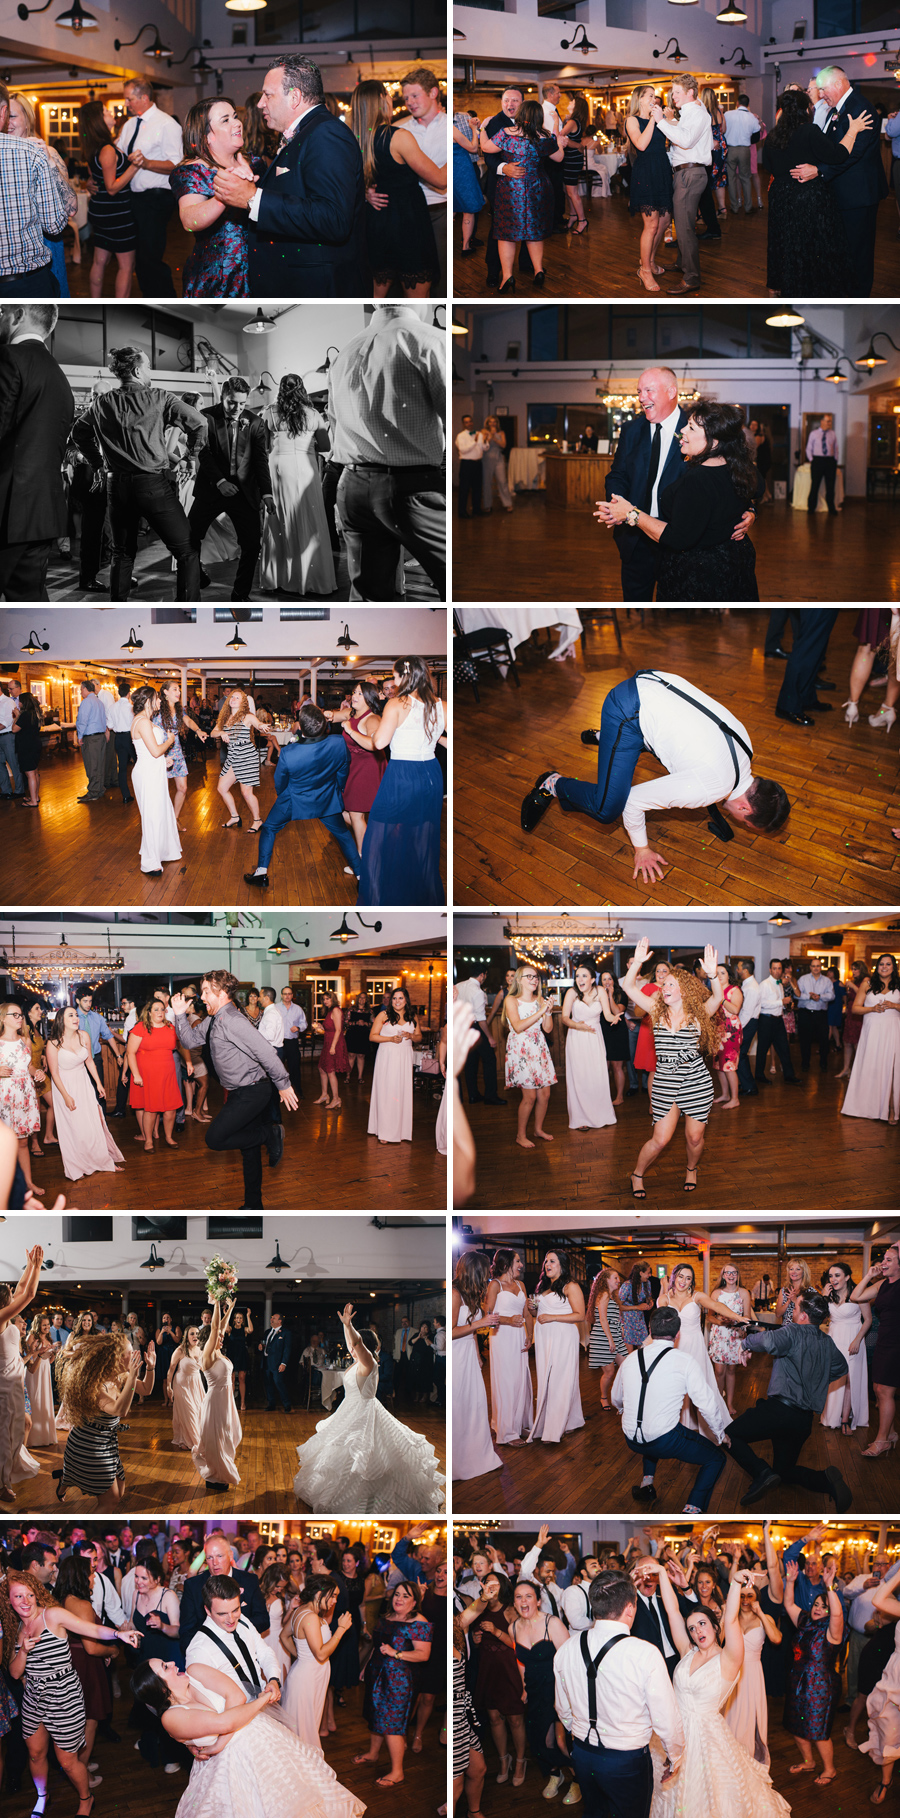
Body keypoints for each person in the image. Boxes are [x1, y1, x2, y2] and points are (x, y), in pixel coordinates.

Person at [522, 665, 787, 886]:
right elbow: (633, 802)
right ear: (744, 806)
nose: (739, 822)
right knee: (606, 808)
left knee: (675, 755)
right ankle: (552, 783)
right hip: (628, 707)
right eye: (744, 822)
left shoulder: (746, 749)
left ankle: (606, 738)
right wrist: (642, 849)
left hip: (657, 680)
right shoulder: (707, 789)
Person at [133, 1643, 364, 1817]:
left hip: (263, 1743)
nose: (173, 1664)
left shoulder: (193, 1673)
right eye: (165, 1667)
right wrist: (261, 1701)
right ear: (161, 1689)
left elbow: (238, 1696)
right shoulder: (171, 1717)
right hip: (228, 1768)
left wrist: (218, 1744)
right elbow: (225, 1722)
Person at [210, 56, 364, 297]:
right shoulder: (308, 131)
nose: (260, 103)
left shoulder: (326, 133)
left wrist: (253, 199)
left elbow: (333, 219)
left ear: (294, 97)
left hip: (317, 288)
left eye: (268, 95)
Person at [650, 1561, 790, 1816]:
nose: (696, 1631)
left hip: (705, 1740)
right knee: (669, 1794)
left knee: (706, 1796)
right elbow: (672, 1612)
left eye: (702, 1624)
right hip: (674, 1731)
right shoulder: (686, 1652)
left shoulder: (728, 1660)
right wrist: (661, 1574)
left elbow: (733, 1617)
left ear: (715, 1626)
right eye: (692, 1628)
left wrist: (735, 1584)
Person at [329, 302, 445, 602]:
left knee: (369, 598)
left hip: (351, 486)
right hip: (408, 487)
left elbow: (333, 420)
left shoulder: (344, 353)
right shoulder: (429, 340)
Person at [5, 1568, 140, 1818]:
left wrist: (118, 1634)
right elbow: (14, 1673)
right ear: (9, 1601)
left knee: (67, 1761)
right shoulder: (18, 1630)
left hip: (63, 1694)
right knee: (35, 1754)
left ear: (37, 1595)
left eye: (29, 1595)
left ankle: (86, 1799)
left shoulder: (53, 1615)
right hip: (34, 1696)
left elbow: (89, 1629)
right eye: (18, 1597)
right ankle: (42, 1798)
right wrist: (22, 1651)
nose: (25, 1601)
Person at [74, 344, 205, 600]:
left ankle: (118, 609)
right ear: (136, 370)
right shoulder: (160, 397)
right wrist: (192, 456)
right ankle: (187, 609)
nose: (149, 371)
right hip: (152, 486)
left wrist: (98, 464)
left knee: (122, 554)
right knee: (187, 550)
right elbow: (199, 422)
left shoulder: (102, 403)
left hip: (117, 488)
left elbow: (78, 432)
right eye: (147, 366)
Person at [553, 1567, 685, 1818]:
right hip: (625, 1762)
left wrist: (580, 1734)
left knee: (594, 1813)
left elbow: (562, 1709)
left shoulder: (566, 1650)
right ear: (630, 1608)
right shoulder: (645, 1653)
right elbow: (665, 1717)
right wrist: (674, 1755)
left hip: (583, 1756)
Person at [599, 399, 759, 602]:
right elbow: (756, 485)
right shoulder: (735, 465)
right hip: (731, 561)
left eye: (691, 427)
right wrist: (749, 509)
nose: (683, 430)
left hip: (697, 570)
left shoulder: (696, 479)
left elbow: (677, 537)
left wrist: (630, 513)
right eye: (639, 390)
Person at [293, 1302, 443, 1512]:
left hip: (363, 1413)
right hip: (349, 1410)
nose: (352, 1349)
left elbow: (357, 1343)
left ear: (365, 1346)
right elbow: (352, 1343)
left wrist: (350, 1326)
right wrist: (346, 1327)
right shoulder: (358, 1360)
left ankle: (364, 1498)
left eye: (356, 1346)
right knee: (341, 1453)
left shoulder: (369, 1362)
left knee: (364, 1457)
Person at [171, 973, 297, 1210]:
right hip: (241, 1090)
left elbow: (265, 1052)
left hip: (252, 1091)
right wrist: (179, 1014)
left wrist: (283, 1083)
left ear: (221, 992)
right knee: (249, 1152)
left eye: (206, 991)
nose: (202, 996)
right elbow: (188, 1041)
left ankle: (270, 1135)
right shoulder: (214, 1019)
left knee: (215, 1138)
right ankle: (254, 1204)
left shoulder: (233, 1020)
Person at [725, 1288, 851, 1508]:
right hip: (803, 1421)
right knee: (784, 1472)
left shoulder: (792, 1331)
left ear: (803, 1315)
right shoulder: (826, 1342)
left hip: (778, 1412)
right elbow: (841, 1368)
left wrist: (745, 1344)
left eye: (796, 1305)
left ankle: (760, 1472)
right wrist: (816, 1378)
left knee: (729, 1435)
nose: (792, 1309)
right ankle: (825, 1480)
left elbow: (766, 1340)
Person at [617, 940, 723, 1195]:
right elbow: (628, 986)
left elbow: (718, 996)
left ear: (683, 990)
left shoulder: (699, 1014)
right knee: (661, 1139)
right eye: (664, 984)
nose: (664, 987)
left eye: (670, 984)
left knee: (694, 1138)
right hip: (665, 1079)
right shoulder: (656, 1010)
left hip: (696, 1079)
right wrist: (638, 962)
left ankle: (691, 1169)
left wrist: (713, 975)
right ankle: (637, 1174)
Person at [787, 64, 888, 297]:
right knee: (844, 248)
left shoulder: (861, 109)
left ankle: (859, 298)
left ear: (838, 84)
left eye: (823, 89)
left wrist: (819, 171)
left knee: (859, 251)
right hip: (843, 192)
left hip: (859, 195)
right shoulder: (838, 109)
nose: (820, 95)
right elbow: (832, 147)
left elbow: (852, 155)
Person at [352, 656, 446, 906]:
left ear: (406, 676)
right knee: (421, 836)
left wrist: (362, 732)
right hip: (432, 775)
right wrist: (432, 738)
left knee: (377, 836)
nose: (393, 683)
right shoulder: (442, 705)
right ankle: (420, 897)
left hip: (403, 774)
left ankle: (381, 898)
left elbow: (380, 743)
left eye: (394, 677)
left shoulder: (396, 704)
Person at [0, 301, 75, 600]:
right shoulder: (57, 373)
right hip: (43, 511)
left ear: (18, 316)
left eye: (1, 313)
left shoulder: (9, 357)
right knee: (29, 603)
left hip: (6, 509)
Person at [244, 701, 361, 888]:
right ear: (323, 723)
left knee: (269, 828)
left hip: (294, 799)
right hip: (326, 798)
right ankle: (361, 876)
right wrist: (336, 790)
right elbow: (343, 769)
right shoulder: (338, 742)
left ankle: (261, 873)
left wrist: (284, 797)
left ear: (301, 727)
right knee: (343, 834)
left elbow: (280, 781)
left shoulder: (289, 753)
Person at [351, 81, 443, 295]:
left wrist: (365, 193)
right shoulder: (399, 137)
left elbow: (344, 183)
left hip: (375, 223)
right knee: (418, 302)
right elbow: (439, 179)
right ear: (382, 100)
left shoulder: (354, 140)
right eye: (389, 95)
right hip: (407, 222)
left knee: (376, 296)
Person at [188, 378, 274, 604]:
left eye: (242, 404)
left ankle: (240, 594)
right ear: (222, 397)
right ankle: (195, 580)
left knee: (252, 544)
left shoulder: (254, 422)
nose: (237, 409)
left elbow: (260, 460)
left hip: (244, 493)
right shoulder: (206, 416)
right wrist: (220, 482)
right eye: (232, 403)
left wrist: (267, 493)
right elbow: (203, 453)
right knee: (189, 538)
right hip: (211, 489)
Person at [170, 97, 266, 296]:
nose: (237, 123)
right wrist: (227, 192)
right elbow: (189, 220)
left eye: (235, 116)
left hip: (261, 268)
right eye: (225, 120)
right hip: (220, 277)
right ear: (206, 136)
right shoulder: (193, 171)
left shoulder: (255, 164)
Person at [54, 1330, 155, 1509]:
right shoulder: (94, 1386)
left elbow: (146, 1389)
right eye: (129, 1353)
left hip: (107, 1443)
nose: (134, 1355)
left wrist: (150, 1368)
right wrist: (132, 1376)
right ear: (114, 1357)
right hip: (87, 1445)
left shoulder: (120, 1377)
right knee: (110, 1500)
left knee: (120, 1491)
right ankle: (65, 1484)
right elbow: (119, 1410)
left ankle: (65, 1477)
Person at [258, 373, 335, 596]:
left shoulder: (269, 412)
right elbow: (325, 445)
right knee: (309, 518)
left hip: (279, 468)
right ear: (302, 388)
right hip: (305, 467)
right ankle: (311, 578)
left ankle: (279, 578)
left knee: (279, 518)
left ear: (281, 389)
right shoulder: (313, 414)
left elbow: (264, 446)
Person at [479, 98, 564, 292]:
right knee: (534, 233)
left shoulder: (507, 134)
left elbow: (485, 148)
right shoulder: (545, 136)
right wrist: (557, 133)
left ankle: (508, 277)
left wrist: (481, 130)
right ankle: (538, 270)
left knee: (505, 234)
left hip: (512, 188)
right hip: (538, 187)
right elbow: (559, 157)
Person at [354, 1579, 432, 1790]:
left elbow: (423, 1654)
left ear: (415, 1601)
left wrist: (396, 1653)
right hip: (377, 1674)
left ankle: (397, 1772)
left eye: (406, 1596)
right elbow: (377, 1646)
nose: (399, 1599)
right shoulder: (386, 1617)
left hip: (400, 1681)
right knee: (375, 1714)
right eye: (397, 1594)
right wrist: (366, 1667)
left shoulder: (419, 1622)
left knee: (392, 1724)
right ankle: (373, 1753)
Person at [0, 80, 73, 296]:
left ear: (27, 119)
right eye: (9, 116)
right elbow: (55, 222)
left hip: (43, 250)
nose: (9, 124)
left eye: (14, 117)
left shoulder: (43, 152)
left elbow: (70, 208)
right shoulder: (30, 155)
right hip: (24, 268)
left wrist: (50, 162)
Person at [115, 78, 183, 298]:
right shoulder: (129, 125)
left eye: (129, 98)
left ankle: (167, 299)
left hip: (156, 198)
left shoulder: (166, 124)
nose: (126, 103)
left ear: (144, 98)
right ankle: (149, 296)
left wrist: (147, 162)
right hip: (133, 198)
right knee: (139, 258)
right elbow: (116, 154)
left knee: (150, 257)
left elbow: (177, 164)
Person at [783, 1555, 844, 1786]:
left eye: (823, 1606)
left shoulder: (833, 1631)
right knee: (796, 1727)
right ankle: (808, 1762)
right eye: (816, 1605)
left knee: (818, 1731)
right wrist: (790, 1582)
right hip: (798, 1682)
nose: (818, 1609)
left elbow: (838, 1614)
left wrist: (830, 1587)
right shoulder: (805, 1621)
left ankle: (830, 1769)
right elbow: (788, 1604)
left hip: (821, 1688)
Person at [44, 1006, 124, 1181]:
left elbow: (89, 1061)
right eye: (70, 1015)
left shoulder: (84, 1036)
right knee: (73, 1127)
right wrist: (65, 1096)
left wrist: (98, 1083)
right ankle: (76, 1166)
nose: (76, 1018)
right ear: (61, 1020)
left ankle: (102, 1160)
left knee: (93, 1122)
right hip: (64, 1086)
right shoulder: (53, 1043)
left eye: (76, 1015)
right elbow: (54, 1073)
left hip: (84, 1083)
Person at [652, 76, 713, 295]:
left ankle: (692, 277)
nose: (672, 96)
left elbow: (686, 141)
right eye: (672, 92)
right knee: (682, 222)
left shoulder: (697, 113)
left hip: (690, 173)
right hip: (686, 172)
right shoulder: (691, 110)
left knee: (685, 228)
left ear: (690, 92)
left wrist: (660, 121)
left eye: (677, 92)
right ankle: (681, 263)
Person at [282, 1576, 353, 1747]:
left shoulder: (303, 1611)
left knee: (305, 1728)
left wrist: (302, 1657)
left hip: (308, 1675)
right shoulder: (310, 1617)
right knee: (304, 1733)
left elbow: (284, 1636)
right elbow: (321, 1654)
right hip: (307, 1679)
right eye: (333, 1596)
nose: (335, 1600)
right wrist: (341, 1629)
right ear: (320, 1593)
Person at [78, 99, 137, 298]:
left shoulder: (94, 148)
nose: (110, 112)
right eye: (105, 111)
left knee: (99, 261)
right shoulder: (107, 150)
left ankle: (95, 302)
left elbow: (95, 177)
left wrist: (90, 182)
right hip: (116, 213)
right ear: (98, 121)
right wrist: (135, 167)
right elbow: (112, 188)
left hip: (100, 211)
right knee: (126, 266)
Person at [452, 1252, 503, 1481]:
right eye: (484, 1271)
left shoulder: (470, 1295)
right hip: (456, 1356)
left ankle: (476, 1457)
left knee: (476, 1404)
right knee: (458, 1406)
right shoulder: (454, 1294)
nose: (487, 1276)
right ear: (474, 1271)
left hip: (468, 1355)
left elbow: (470, 1328)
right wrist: (481, 1323)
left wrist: (477, 1353)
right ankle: (459, 1461)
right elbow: (451, 1332)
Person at [527, 1248, 585, 1448]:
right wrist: (533, 1308)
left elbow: (580, 1315)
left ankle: (555, 1427)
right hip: (545, 1338)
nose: (547, 1265)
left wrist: (552, 1317)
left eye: (552, 1261)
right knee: (547, 1379)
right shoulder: (543, 1286)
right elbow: (538, 1314)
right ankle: (570, 1419)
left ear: (561, 1264)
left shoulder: (571, 1286)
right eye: (546, 1261)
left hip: (563, 1336)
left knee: (561, 1378)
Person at [399, 66, 448, 294]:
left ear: (433, 93)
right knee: (415, 276)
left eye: (415, 95)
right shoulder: (400, 131)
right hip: (410, 212)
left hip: (443, 209)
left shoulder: (451, 127)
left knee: (444, 274)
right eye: (406, 97)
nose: (409, 102)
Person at [0, 1244, 44, 1500]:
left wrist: (29, 1265)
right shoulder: (1, 1318)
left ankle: (4, 1479)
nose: (12, 1293)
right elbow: (27, 1295)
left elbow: (20, 1290)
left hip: (13, 1383)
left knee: (14, 1431)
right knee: (6, 1434)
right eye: (7, 1293)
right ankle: (3, 1484)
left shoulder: (5, 1316)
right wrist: (37, 1268)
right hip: (5, 1386)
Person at [850, 1244, 900, 1457]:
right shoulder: (882, 1284)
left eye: (889, 1260)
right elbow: (856, 1296)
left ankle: (881, 1441)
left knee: (884, 1391)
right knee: (878, 1389)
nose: (883, 1263)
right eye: (883, 1259)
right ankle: (891, 1434)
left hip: (898, 1342)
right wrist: (869, 1275)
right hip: (883, 1340)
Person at [502, 965, 558, 1149]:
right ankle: (520, 1135)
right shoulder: (511, 1000)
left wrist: (548, 1011)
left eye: (536, 977)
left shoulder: (539, 999)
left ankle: (538, 1129)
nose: (535, 980)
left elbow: (548, 1029)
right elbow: (517, 1026)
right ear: (519, 980)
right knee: (529, 1097)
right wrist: (542, 1011)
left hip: (539, 1047)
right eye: (530, 976)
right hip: (522, 1049)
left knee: (545, 1094)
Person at [841, 953, 900, 1123]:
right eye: (881, 964)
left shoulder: (899, 984)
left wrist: (895, 1005)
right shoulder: (867, 983)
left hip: (893, 1030)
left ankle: (891, 1110)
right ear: (877, 966)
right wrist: (873, 1008)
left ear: (893, 967)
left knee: (891, 1069)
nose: (884, 967)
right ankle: (870, 1106)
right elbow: (855, 1009)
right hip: (872, 1030)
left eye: (888, 964)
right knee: (872, 1067)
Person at [626, 86, 673, 292]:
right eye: (651, 96)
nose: (655, 99)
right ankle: (644, 270)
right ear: (640, 100)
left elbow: (674, 140)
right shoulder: (632, 120)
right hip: (645, 173)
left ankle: (650, 260)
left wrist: (668, 120)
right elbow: (641, 145)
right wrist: (654, 119)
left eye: (655, 96)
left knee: (664, 221)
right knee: (651, 225)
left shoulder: (659, 118)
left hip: (662, 170)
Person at [562, 958, 617, 1131]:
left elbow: (607, 1015)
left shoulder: (600, 990)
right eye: (577, 976)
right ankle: (580, 1118)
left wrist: (614, 1018)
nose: (580, 979)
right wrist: (578, 1025)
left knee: (597, 1076)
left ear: (592, 979)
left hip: (594, 1037)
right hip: (577, 1037)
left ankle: (601, 1115)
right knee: (580, 1077)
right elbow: (564, 1018)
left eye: (584, 976)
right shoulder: (571, 993)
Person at [192, 1297, 241, 1492]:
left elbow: (218, 1328)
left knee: (229, 1436)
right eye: (217, 1337)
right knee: (217, 1439)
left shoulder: (218, 1353)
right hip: (215, 1402)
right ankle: (216, 1476)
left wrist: (229, 1309)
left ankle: (219, 1473)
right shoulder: (207, 1355)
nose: (221, 1336)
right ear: (208, 1340)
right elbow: (214, 1328)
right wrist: (216, 1304)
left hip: (226, 1401)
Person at [485, 1248, 533, 1446]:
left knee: (520, 1379)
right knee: (505, 1381)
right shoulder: (495, 1286)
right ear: (506, 1264)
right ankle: (506, 1431)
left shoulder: (521, 1285)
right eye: (518, 1261)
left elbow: (527, 1314)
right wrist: (507, 1320)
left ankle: (518, 1422)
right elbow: (487, 1317)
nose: (521, 1264)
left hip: (519, 1335)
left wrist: (530, 1335)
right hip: (502, 1336)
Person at [338, 684, 388, 859]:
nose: (355, 696)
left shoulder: (372, 719)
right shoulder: (352, 714)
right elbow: (335, 716)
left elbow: (374, 745)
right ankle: (374, 842)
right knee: (342, 811)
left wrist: (350, 731)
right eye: (354, 692)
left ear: (369, 698)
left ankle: (363, 859)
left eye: (360, 693)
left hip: (367, 769)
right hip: (353, 768)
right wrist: (327, 714)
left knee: (355, 814)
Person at [209, 687, 269, 831]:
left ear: (243, 702)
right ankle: (235, 816)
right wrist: (221, 731)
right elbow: (212, 733)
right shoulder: (224, 717)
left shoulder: (247, 716)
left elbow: (257, 723)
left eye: (237, 697)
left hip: (247, 756)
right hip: (233, 756)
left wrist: (261, 726)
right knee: (222, 788)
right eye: (232, 697)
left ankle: (257, 820)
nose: (233, 699)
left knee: (246, 792)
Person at [126, 997, 182, 1151]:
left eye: (162, 1009)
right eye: (155, 1009)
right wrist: (136, 1075)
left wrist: (189, 1062)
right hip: (148, 1074)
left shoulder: (170, 1027)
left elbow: (181, 1046)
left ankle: (169, 1137)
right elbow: (130, 1053)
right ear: (149, 1012)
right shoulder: (140, 1028)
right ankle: (148, 1140)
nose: (159, 1012)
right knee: (151, 1109)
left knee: (171, 1109)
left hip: (168, 1073)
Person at [367, 986, 420, 1144]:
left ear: (406, 1000)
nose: (397, 1001)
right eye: (394, 998)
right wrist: (390, 1039)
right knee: (388, 1091)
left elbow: (419, 1037)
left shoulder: (412, 1015)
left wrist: (411, 1035)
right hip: (388, 1056)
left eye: (400, 998)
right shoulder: (383, 1015)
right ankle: (385, 1130)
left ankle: (402, 1130)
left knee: (402, 1091)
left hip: (404, 1057)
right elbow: (372, 1036)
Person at [167, 1326, 205, 1450]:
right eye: (192, 1334)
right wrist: (168, 1386)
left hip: (196, 1384)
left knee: (199, 1412)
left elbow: (204, 1368)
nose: (195, 1336)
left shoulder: (200, 1350)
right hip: (182, 1385)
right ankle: (195, 1442)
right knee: (189, 1413)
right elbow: (171, 1369)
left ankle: (184, 1439)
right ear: (186, 1337)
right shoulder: (180, 1350)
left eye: (197, 1334)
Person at [453, 108, 484, 257]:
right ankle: (465, 246)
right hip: (461, 170)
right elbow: (472, 148)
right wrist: (473, 129)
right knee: (468, 208)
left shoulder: (462, 117)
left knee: (452, 209)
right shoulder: (450, 128)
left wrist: (475, 123)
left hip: (448, 169)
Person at [724, 93, 761, 213]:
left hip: (731, 150)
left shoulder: (727, 114)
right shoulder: (752, 117)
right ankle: (748, 206)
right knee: (745, 178)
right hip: (745, 150)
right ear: (748, 104)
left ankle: (734, 206)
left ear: (737, 103)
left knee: (731, 178)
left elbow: (722, 131)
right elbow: (756, 137)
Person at [796, 955, 835, 1071]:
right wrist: (810, 996)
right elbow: (796, 994)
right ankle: (805, 1064)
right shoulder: (803, 979)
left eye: (818, 966)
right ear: (810, 967)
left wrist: (820, 997)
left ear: (821, 967)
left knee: (824, 1039)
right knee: (805, 1040)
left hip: (821, 1014)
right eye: (813, 966)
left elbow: (832, 996)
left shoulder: (827, 981)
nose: (816, 968)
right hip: (805, 1013)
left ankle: (823, 1063)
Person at [259, 1310, 292, 1412]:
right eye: (271, 1318)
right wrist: (260, 1347)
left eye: (274, 1318)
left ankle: (287, 1404)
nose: (271, 1319)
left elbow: (287, 1349)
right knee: (268, 1383)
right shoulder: (267, 1332)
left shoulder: (286, 1333)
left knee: (279, 1383)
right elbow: (264, 1343)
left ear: (280, 1321)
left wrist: (284, 1363)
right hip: (266, 1362)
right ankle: (271, 1404)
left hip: (277, 1363)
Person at [481, 416, 514, 513]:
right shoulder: (483, 432)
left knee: (503, 481)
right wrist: (489, 436)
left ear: (497, 423)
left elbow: (503, 445)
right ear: (487, 423)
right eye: (490, 422)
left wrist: (494, 437)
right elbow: (483, 444)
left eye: (494, 422)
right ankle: (487, 505)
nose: (492, 423)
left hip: (499, 457)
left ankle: (508, 503)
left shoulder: (501, 432)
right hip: (487, 458)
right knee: (487, 482)